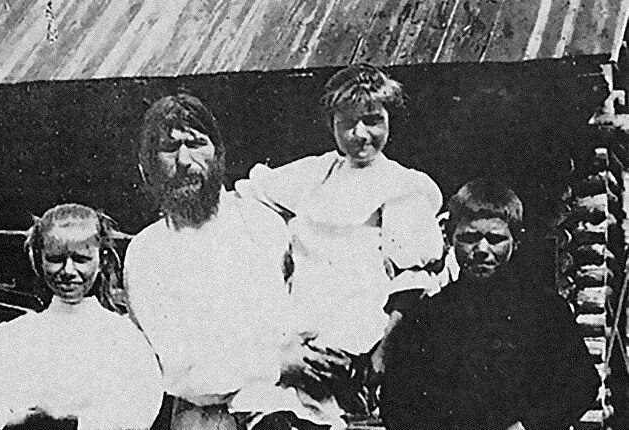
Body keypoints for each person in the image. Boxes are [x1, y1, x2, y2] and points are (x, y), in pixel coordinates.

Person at [234, 63, 445, 426]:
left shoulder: (403, 186)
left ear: (389, 119)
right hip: (301, 324)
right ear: (331, 124)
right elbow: (251, 197)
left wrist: (383, 350)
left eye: (372, 121)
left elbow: (412, 279)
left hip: (359, 329)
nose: (360, 134)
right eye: (346, 123)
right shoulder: (314, 173)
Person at [124, 93, 293, 430]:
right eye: (169, 148)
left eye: (196, 143)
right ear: (148, 165)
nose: (184, 160)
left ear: (218, 153)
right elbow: (184, 371)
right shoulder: (146, 253)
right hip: (202, 418)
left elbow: (290, 322)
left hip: (281, 410)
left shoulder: (263, 226)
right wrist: (280, 364)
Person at [380, 179, 601, 430]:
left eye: (495, 239)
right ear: (450, 238)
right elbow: (396, 404)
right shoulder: (427, 317)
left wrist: (530, 426)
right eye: (469, 237)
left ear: (516, 241)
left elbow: (582, 384)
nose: (482, 249)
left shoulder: (545, 311)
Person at [0, 204, 163, 430]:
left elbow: (139, 411)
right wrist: (18, 422)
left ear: (102, 260)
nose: (68, 271)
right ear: (39, 260)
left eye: (81, 259)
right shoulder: (14, 335)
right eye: (55, 259)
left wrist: (69, 423)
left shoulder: (124, 337)